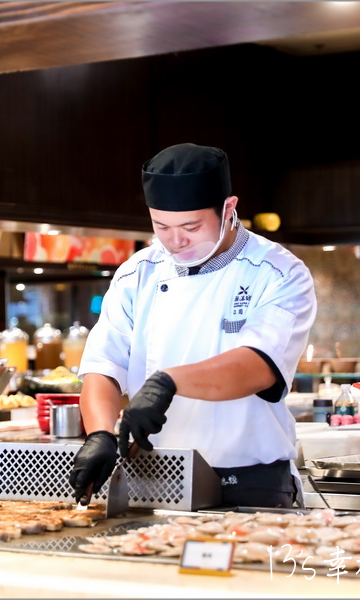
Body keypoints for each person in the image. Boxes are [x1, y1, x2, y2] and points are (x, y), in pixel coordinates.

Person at [69, 143, 317, 509]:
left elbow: (258, 367)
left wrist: (167, 383)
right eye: (161, 226)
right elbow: (102, 367)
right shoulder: (138, 273)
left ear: (228, 208)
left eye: (191, 225)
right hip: (155, 480)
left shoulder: (278, 272)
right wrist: (101, 434)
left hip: (248, 484)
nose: (175, 240)